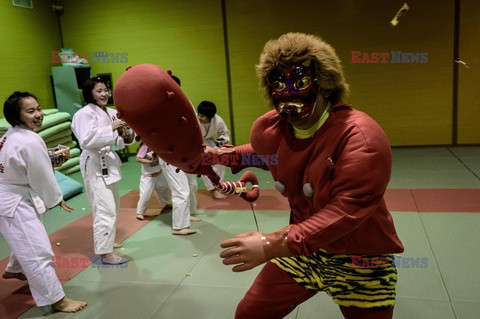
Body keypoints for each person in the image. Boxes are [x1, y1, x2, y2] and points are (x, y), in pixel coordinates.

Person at [214, 33, 404, 319]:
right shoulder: (279, 131)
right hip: (303, 251)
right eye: (278, 85)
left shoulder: (360, 139)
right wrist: (211, 157)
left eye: (300, 83)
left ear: (325, 85)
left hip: (360, 257)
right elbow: (265, 153)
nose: (289, 95)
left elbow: (347, 209)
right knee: (251, 312)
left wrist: (270, 244)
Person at [0, 91, 87, 312]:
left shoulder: (9, 135)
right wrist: (56, 198)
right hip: (14, 202)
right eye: (31, 111)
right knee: (38, 251)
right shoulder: (30, 140)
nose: (39, 114)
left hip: (9, 196)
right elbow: (39, 174)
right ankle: (58, 300)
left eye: (39, 108)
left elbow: (25, 164)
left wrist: (49, 158)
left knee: (25, 240)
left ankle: (14, 268)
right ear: (16, 115)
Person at [71, 77, 134, 264]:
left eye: (106, 90)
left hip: (108, 162)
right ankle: (105, 254)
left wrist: (127, 133)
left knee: (113, 206)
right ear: (90, 93)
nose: (104, 94)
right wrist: (111, 127)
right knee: (104, 209)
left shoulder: (112, 112)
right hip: (94, 163)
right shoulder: (84, 114)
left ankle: (107, 242)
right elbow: (86, 141)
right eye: (99, 91)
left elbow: (120, 141)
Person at [159, 73, 200, 235]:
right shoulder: (159, 107)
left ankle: (186, 216)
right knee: (180, 190)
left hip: (186, 151)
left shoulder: (185, 103)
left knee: (191, 185)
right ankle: (179, 226)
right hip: (170, 153)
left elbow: (193, 125)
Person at [197, 100, 230, 199]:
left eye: (202, 116)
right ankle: (213, 189)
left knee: (221, 161)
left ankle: (218, 185)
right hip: (196, 142)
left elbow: (224, 133)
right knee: (205, 162)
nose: (199, 117)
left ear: (210, 117)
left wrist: (219, 144)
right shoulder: (193, 119)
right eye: (199, 114)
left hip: (211, 141)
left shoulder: (218, 120)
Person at [135, 141, 172, 220]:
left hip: (159, 173)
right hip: (148, 176)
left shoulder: (158, 145)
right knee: (145, 194)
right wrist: (149, 161)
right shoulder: (145, 146)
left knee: (165, 188)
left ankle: (167, 203)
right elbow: (138, 159)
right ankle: (140, 212)